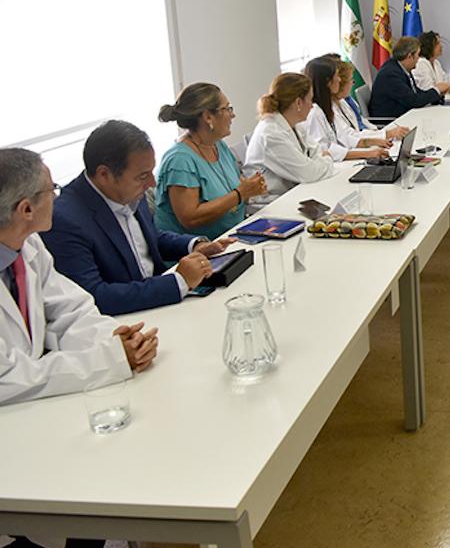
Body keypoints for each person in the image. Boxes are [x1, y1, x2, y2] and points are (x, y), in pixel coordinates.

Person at [0, 148, 159, 405]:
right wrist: (111, 359)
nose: (56, 195)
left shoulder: (29, 246)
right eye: (50, 189)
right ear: (26, 209)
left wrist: (117, 338)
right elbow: (7, 378)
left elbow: (70, 311)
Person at [42, 121, 237, 316]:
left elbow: (148, 239)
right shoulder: (64, 220)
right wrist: (178, 281)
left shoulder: (129, 189)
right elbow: (93, 296)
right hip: (128, 320)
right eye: (143, 175)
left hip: (162, 304)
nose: (151, 183)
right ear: (104, 175)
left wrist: (193, 245)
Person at [156, 82, 268, 241]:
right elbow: (190, 218)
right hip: (199, 255)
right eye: (227, 109)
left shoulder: (218, 145)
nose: (232, 115)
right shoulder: (179, 160)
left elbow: (233, 193)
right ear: (208, 116)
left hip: (233, 238)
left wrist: (251, 189)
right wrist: (241, 193)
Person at [244, 73, 337, 204]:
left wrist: (316, 162)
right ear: (298, 102)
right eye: (310, 99)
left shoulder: (294, 124)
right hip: (273, 204)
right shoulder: (271, 134)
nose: (312, 105)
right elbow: (309, 173)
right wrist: (327, 159)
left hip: (296, 192)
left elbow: (315, 150)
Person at [301, 56, 397, 162]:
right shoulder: (315, 112)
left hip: (339, 162)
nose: (339, 79)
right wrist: (368, 152)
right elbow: (324, 150)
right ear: (328, 82)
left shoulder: (327, 106)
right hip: (331, 166)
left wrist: (374, 142)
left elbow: (345, 137)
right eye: (337, 76)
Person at [368, 36, 446, 122]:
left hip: (403, 116)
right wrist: (437, 90)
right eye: (418, 55)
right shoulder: (391, 74)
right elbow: (414, 101)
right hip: (391, 122)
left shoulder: (401, 68)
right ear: (409, 56)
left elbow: (416, 92)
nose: (419, 59)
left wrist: (438, 94)